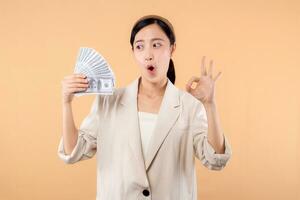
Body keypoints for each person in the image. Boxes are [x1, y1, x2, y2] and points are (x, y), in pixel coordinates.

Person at [58, 15, 232, 200]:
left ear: (172, 48)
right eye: (140, 46)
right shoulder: (108, 102)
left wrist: (209, 105)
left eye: (156, 45)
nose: (148, 54)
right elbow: (72, 152)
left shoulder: (189, 106)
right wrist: (66, 102)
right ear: (133, 52)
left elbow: (215, 160)